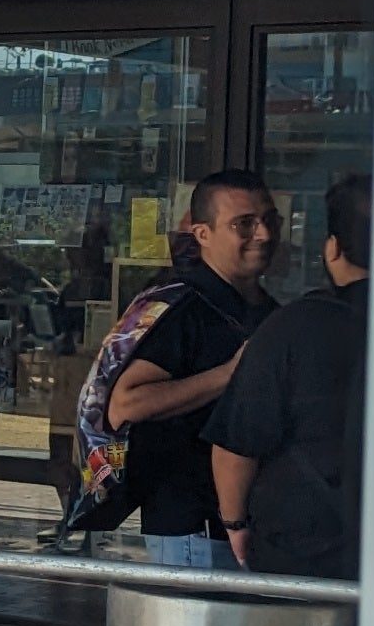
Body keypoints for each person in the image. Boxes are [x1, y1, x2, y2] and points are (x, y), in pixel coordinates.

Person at [104, 167, 281, 566]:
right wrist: (231, 373)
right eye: (244, 224)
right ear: (203, 234)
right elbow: (125, 403)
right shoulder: (181, 307)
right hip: (193, 528)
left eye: (270, 220)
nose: (264, 234)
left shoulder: (264, 308)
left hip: (245, 527)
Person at [212, 172, 372, 579]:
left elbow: (236, 448)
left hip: (304, 551)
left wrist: (235, 525)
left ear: (333, 249)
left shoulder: (294, 326)